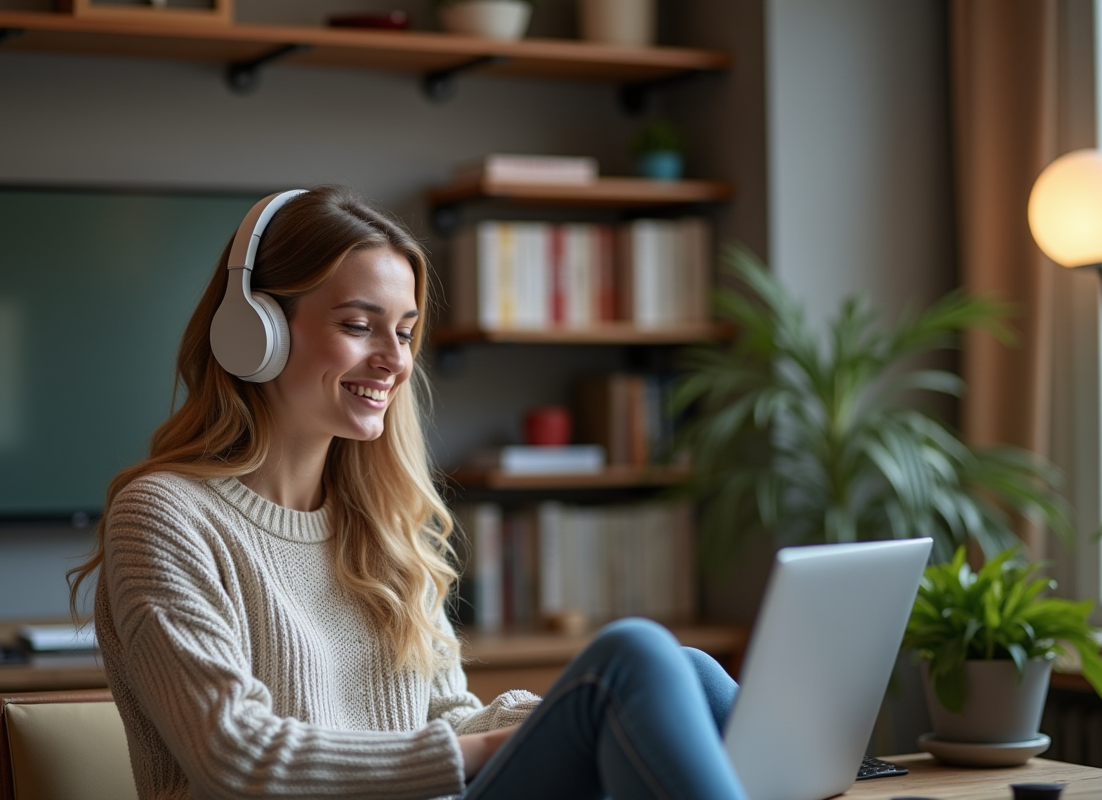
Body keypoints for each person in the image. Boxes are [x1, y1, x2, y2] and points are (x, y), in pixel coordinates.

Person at [69, 185, 747, 800]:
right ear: (256, 333)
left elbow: (448, 720)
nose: (395, 361)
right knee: (632, 659)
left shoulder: (379, 522)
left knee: (679, 669)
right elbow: (238, 758)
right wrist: (491, 743)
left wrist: (557, 714)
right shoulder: (162, 516)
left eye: (403, 330)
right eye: (358, 325)